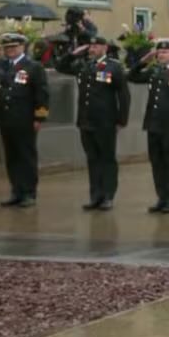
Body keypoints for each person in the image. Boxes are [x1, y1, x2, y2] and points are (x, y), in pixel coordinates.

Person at [56, 36, 131, 211]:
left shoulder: (114, 67)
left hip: (106, 122)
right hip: (86, 121)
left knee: (107, 159)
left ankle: (108, 196)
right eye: (90, 47)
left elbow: (124, 96)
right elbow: (61, 66)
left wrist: (122, 120)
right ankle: (95, 196)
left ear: (104, 48)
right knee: (92, 160)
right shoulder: (84, 66)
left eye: (95, 46)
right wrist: (74, 54)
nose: (91, 50)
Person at [0, 33, 49, 207]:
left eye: (13, 47)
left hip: (24, 119)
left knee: (26, 156)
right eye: (7, 48)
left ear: (22, 47)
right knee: (12, 158)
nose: (10, 50)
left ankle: (29, 193)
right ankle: (16, 191)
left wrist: (39, 117)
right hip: (5, 118)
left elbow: (42, 95)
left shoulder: (33, 67)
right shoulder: (1, 64)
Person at [128, 37, 169, 214]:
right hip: (153, 123)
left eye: (165, 52)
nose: (161, 55)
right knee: (157, 162)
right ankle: (162, 198)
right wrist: (144, 61)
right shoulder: (155, 71)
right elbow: (132, 76)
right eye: (159, 52)